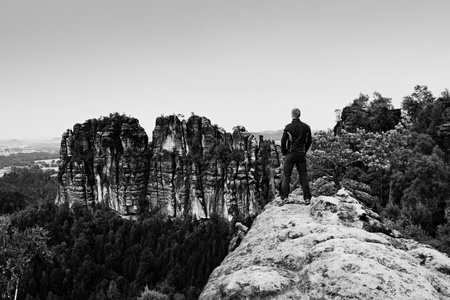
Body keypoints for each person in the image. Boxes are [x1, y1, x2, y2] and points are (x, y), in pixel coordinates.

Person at [280, 108, 312, 204]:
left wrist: (284, 152)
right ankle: (307, 199)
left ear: (292, 115)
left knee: (286, 176)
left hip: (290, 154)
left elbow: (283, 141)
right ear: (299, 115)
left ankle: (285, 197)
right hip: (301, 154)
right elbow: (309, 141)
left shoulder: (288, 127)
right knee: (303, 176)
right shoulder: (306, 127)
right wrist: (304, 151)